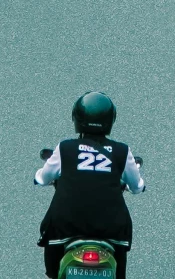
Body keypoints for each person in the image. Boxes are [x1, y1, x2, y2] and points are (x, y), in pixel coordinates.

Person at [36, 92, 144, 279]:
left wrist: (41, 177)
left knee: (52, 260)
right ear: (111, 120)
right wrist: (132, 185)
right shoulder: (122, 151)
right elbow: (137, 186)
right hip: (111, 227)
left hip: (66, 225)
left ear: (76, 118)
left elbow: (42, 178)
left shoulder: (65, 148)